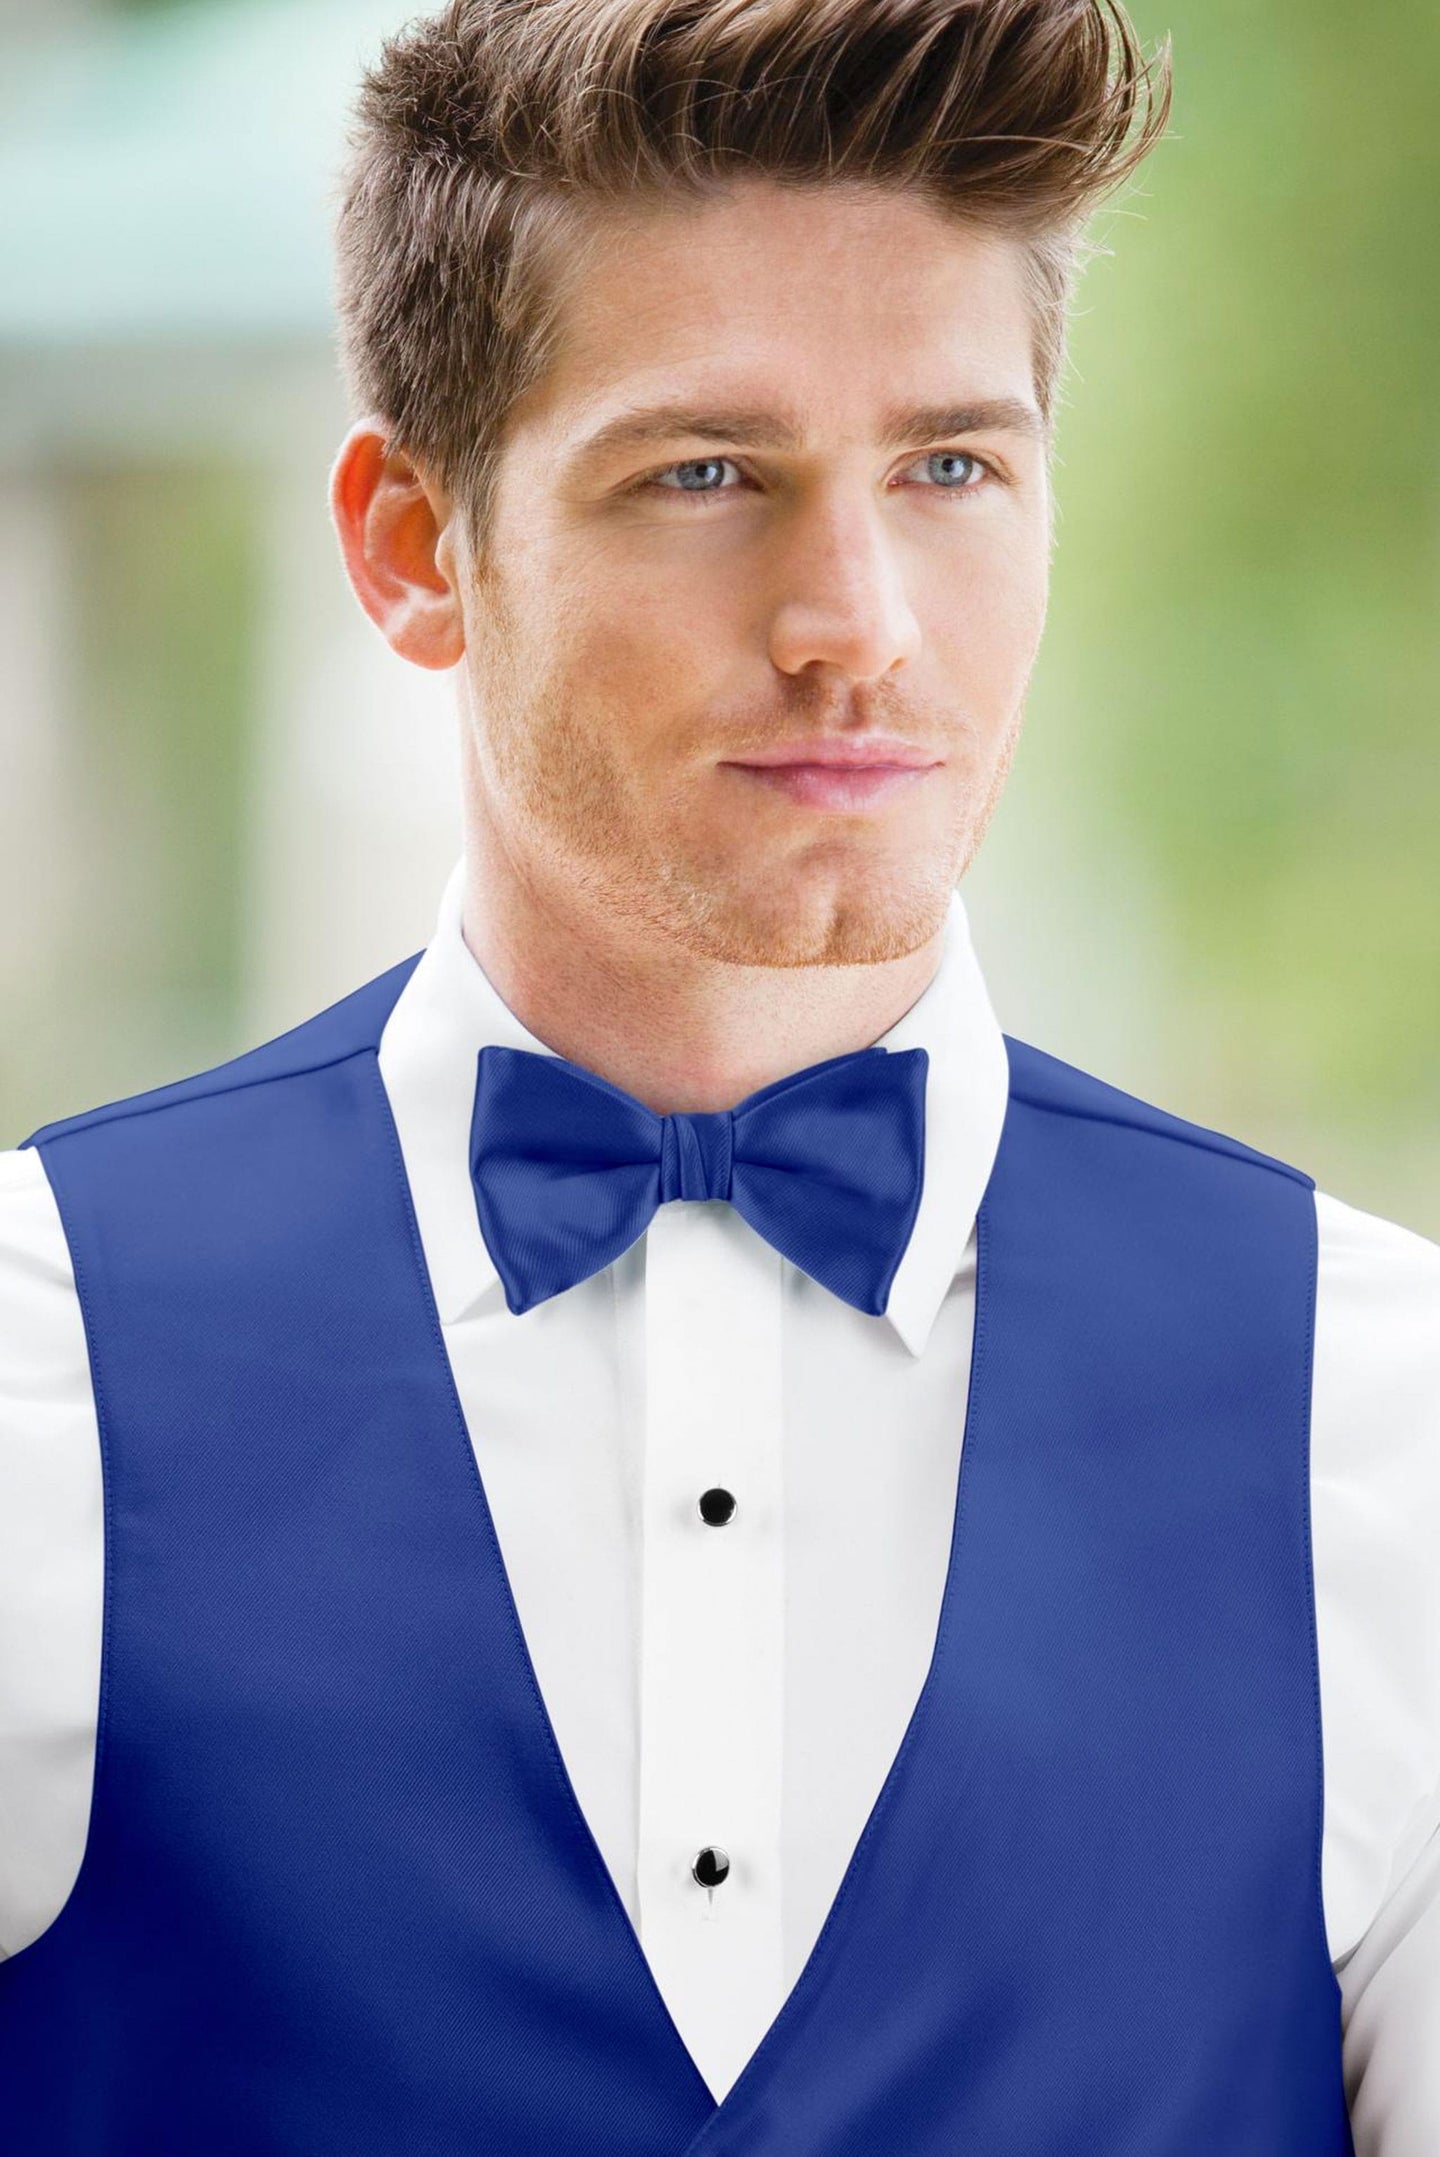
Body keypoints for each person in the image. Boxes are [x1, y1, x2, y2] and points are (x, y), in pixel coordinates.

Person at [0, 0, 1434, 2146]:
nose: (855, 616)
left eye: (950, 465)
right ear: (413, 545)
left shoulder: (1387, 1415)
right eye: (705, 474)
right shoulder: (32, 1373)